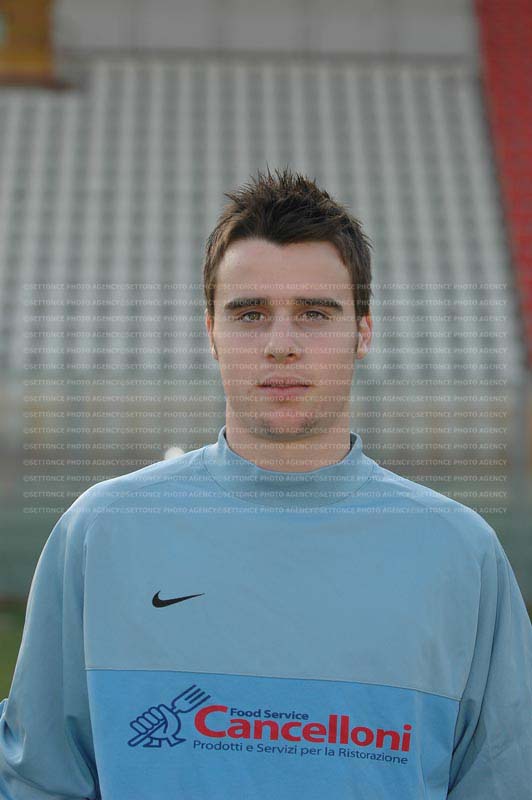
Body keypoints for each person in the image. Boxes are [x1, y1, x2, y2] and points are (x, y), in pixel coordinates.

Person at [1, 167, 531, 799]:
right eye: (250, 313)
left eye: (314, 313)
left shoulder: (462, 553)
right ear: (211, 331)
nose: (281, 344)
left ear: (363, 331)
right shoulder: (100, 532)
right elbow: (37, 780)